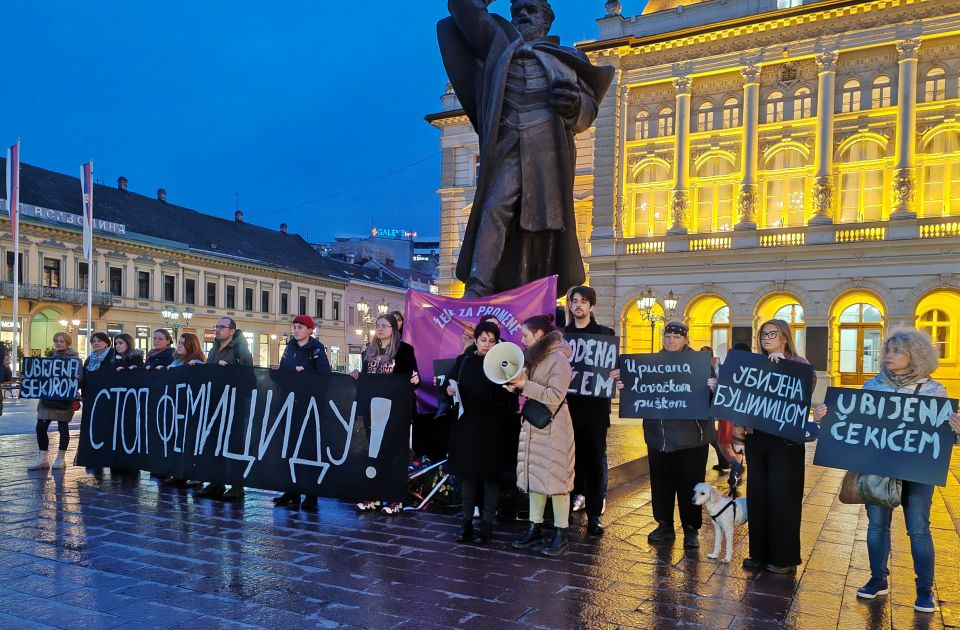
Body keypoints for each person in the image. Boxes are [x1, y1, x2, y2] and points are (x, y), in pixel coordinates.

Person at [438, 0, 614, 298]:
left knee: (543, 226)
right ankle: (479, 286)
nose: (522, 14)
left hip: (547, 147)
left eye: (530, 9)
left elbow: (588, 109)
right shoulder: (498, 44)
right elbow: (462, 7)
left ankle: (536, 295)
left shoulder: (569, 59)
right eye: (517, 9)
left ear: (547, 20)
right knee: (495, 207)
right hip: (507, 140)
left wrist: (573, 105)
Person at [814, 329, 960, 612]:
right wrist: (826, 417)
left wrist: (956, 430)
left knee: (918, 529)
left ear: (914, 356)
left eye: (896, 351)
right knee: (877, 525)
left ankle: (924, 590)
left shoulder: (933, 391)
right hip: (878, 468)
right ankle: (878, 579)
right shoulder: (873, 386)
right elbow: (851, 423)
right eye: (887, 350)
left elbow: (944, 438)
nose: (888, 356)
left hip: (918, 471)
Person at [741, 319, 815, 574]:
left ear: (785, 337)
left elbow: (803, 394)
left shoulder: (800, 364)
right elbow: (742, 397)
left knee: (782, 497)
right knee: (758, 495)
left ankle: (784, 557)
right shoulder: (754, 364)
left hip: (785, 442)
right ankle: (758, 553)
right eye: (763, 334)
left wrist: (781, 368)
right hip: (757, 438)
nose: (766, 338)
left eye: (772, 334)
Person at [638, 322, 717, 550]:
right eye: (668, 336)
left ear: (685, 339)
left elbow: (716, 400)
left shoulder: (700, 364)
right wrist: (625, 384)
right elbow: (639, 389)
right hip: (658, 435)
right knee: (661, 483)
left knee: (689, 485)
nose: (671, 340)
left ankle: (691, 529)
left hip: (692, 437)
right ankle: (664, 524)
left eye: (676, 336)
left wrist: (714, 388)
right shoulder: (652, 363)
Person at [508, 314, 575, 557]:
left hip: (553, 425)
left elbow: (555, 395)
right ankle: (534, 527)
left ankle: (561, 533)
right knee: (535, 475)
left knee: (557, 479)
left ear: (538, 335)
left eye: (525, 334)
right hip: (536, 423)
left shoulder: (558, 360)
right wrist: (514, 384)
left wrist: (524, 386)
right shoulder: (535, 358)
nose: (522, 339)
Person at [446, 321, 518, 544]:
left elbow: (511, 402)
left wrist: (509, 390)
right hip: (468, 426)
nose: (487, 344)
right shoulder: (464, 361)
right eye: (484, 339)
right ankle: (466, 522)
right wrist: (448, 390)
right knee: (468, 476)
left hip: (494, 428)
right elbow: (446, 384)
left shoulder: (503, 364)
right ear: (476, 339)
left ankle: (486, 525)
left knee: (490, 478)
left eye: (492, 340)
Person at [563, 285, 618, 536]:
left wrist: (618, 375)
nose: (579, 305)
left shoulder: (605, 335)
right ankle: (567, 506)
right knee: (569, 463)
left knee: (595, 464)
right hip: (567, 411)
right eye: (575, 301)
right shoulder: (562, 336)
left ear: (592, 306)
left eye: (584, 301)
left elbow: (615, 369)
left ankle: (594, 515)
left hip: (595, 413)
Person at [352, 313, 420, 515]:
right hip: (372, 409)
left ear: (394, 329)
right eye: (378, 325)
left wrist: (414, 380)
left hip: (394, 411)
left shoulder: (404, 350)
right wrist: (357, 376)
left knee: (393, 454)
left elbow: (413, 378)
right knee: (372, 453)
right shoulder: (369, 351)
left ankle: (394, 498)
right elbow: (365, 379)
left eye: (385, 325)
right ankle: (372, 494)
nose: (380, 328)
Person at [272, 315, 332, 509]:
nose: (296, 330)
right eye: (295, 327)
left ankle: (312, 495)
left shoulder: (316, 349)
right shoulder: (289, 347)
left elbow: (325, 377)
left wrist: (305, 372)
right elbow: (283, 376)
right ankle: (293, 491)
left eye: (300, 327)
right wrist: (278, 372)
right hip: (290, 404)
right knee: (290, 448)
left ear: (309, 330)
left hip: (310, 407)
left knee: (309, 450)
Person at [197, 318, 253, 501]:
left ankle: (237, 485)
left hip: (233, 403)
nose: (217, 330)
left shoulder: (240, 349)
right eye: (216, 326)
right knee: (214, 442)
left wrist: (230, 370)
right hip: (214, 402)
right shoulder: (214, 349)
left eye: (221, 327)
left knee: (234, 443)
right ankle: (216, 481)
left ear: (231, 331)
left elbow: (249, 379)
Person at [27, 332, 80, 470]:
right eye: (56, 340)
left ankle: (60, 458)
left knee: (63, 428)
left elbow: (81, 379)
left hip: (64, 398)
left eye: (61, 340)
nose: (58, 343)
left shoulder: (75, 360)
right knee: (40, 428)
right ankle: (43, 458)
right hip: (48, 398)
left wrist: (78, 378)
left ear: (68, 343)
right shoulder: (50, 359)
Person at [161, 333, 205, 487]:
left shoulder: (196, 362)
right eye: (178, 342)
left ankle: (196, 474)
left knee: (190, 442)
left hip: (189, 408)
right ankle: (179, 473)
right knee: (178, 441)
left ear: (191, 346)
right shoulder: (176, 361)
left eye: (183, 343)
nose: (179, 345)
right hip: (175, 406)